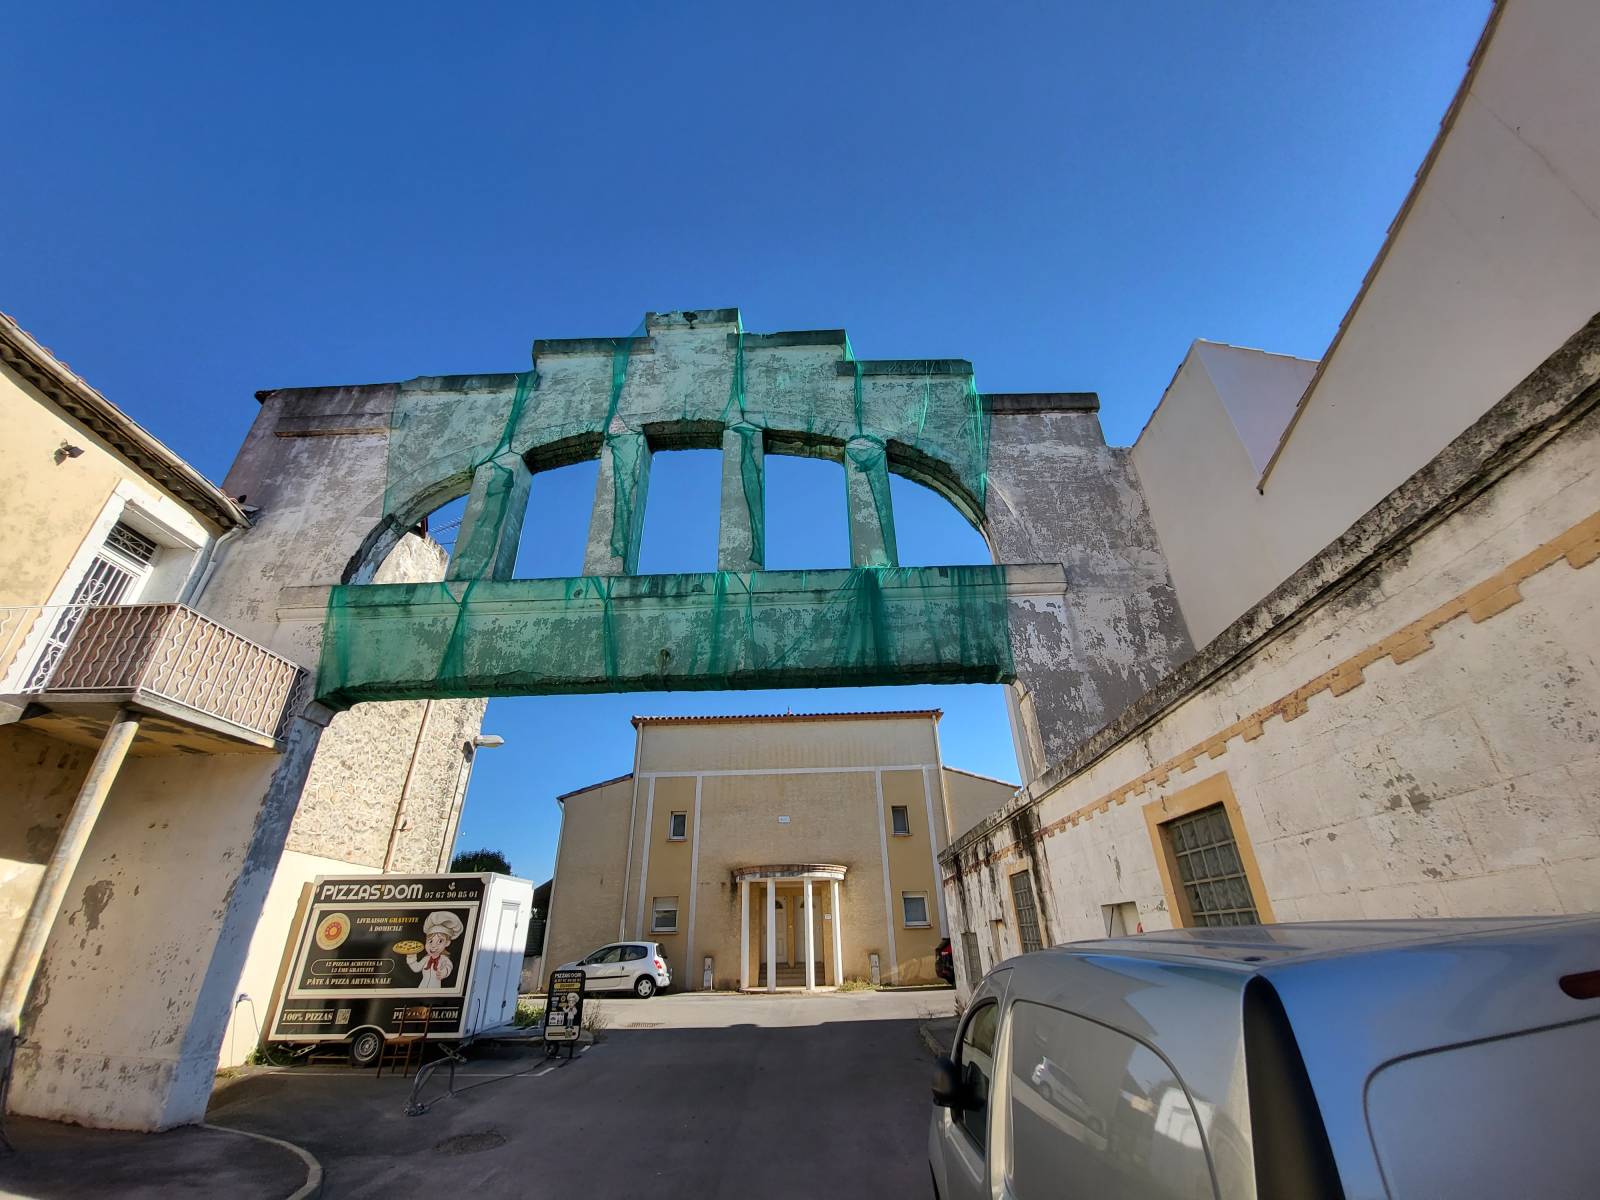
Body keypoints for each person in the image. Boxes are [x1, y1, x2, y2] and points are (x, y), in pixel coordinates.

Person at [407, 911, 464, 989]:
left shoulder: (444, 959)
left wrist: (444, 972)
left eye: (440, 941)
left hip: (435, 991)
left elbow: (448, 966)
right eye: (430, 941)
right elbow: (416, 968)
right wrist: (411, 957)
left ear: (447, 943)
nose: (433, 946)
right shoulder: (426, 959)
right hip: (421, 989)